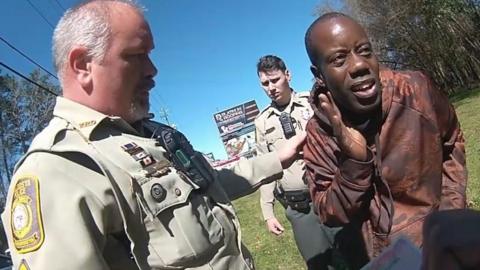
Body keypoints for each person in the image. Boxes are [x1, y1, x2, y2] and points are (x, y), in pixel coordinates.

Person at [0, 1, 306, 269]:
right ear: (82, 65)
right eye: (136, 55)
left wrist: (277, 157)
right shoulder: (57, 169)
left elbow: (207, 185)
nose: (153, 70)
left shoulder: (153, 134)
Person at [302, 12, 467, 269]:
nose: (358, 65)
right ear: (319, 74)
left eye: (364, 50)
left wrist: (450, 214)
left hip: (440, 242)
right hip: (374, 259)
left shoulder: (416, 90)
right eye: (338, 59)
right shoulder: (318, 132)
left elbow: (452, 141)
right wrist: (354, 164)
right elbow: (328, 212)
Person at [254, 55, 337, 269]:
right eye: (265, 83)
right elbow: (266, 169)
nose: (271, 87)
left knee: (358, 257)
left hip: (332, 196)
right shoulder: (262, 122)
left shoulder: (313, 101)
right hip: (300, 209)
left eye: (275, 80)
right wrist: (268, 213)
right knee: (319, 265)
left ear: (288, 75)